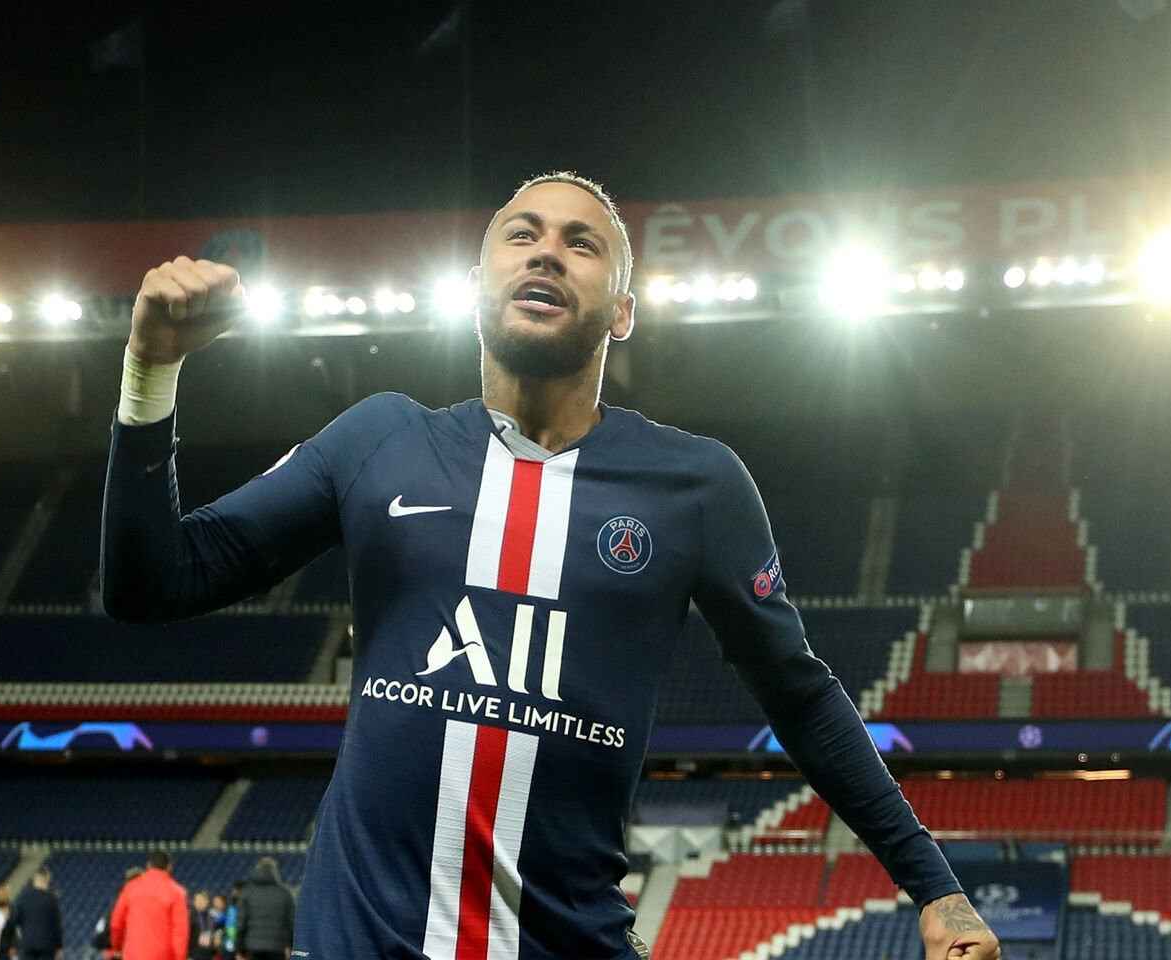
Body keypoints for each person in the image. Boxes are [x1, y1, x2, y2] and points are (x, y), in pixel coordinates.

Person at [100, 172, 1000, 960]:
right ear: (476, 283)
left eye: (582, 244)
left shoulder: (697, 485)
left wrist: (937, 888)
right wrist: (151, 370)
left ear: (624, 310)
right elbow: (153, 586)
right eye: (521, 235)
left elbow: (800, 695)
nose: (547, 253)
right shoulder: (380, 439)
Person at [109, 851, 187, 960]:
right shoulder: (177, 892)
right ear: (169, 867)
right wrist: (179, 957)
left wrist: (117, 946)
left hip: (133, 955)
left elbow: (116, 923)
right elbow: (180, 933)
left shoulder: (131, 887)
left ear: (148, 865)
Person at [234, 858, 294, 960]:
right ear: (275, 871)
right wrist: (290, 946)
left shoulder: (247, 892)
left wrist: (239, 949)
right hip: (277, 947)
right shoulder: (285, 893)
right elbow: (291, 923)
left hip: (252, 947)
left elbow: (241, 923)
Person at [9, 866, 63, 960]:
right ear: (47, 879)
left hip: (27, 943)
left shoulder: (23, 898)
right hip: (47, 946)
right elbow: (57, 926)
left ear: (34, 879)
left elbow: (14, 921)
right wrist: (59, 947)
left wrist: (12, 944)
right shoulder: (51, 899)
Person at [186, 889, 211, 960]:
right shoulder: (189, 916)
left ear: (207, 901)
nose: (199, 902)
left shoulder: (210, 916)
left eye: (202, 900)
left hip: (206, 954)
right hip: (192, 954)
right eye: (197, 900)